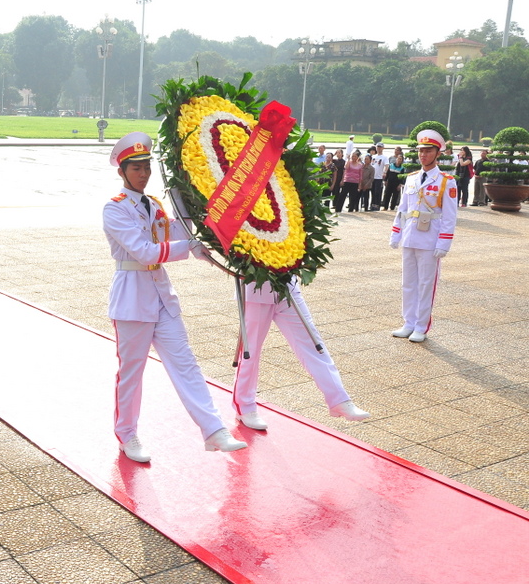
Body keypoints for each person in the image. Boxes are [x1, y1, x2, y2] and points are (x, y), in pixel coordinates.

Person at [103, 131, 246, 462]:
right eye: (136, 168)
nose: (143, 173)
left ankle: (214, 430)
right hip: (132, 300)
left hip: (162, 298)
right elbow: (143, 251)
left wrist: (188, 201)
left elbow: (177, 232)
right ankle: (128, 434)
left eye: (146, 167)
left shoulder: (154, 204)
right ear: (122, 171)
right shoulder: (114, 210)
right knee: (131, 373)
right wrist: (188, 247)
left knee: (186, 365)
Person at [233, 279, 370, 430]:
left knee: (312, 343)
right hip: (255, 290)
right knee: (249, 351)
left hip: (287, 288)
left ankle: (339, 400)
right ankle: (245, 407)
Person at [390, 128, 459, 343]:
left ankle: (421, 326)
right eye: (421, 151)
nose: (423, 155)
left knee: (425, 284)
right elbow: (402, 210)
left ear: (437, 153)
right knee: (408, 283)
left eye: (428, 151)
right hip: (410, 237)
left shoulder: (446, 181)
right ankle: (408, 322)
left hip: (430, 240)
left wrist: (444, 243)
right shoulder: (411, 179)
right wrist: (396, 233)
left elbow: (449, 216)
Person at [370, 143, 389, 210]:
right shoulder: (373, 156)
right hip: (372, 177)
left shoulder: (384, 157)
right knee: (372, 191)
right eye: (378, 147)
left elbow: (386, 165)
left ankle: (377, 205)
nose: (379, 148)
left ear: (383, 148)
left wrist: (384, 172)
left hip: (379, 177)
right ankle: (372, 204)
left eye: (380, 147)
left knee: (377, 192)